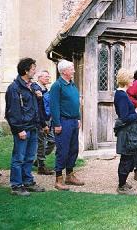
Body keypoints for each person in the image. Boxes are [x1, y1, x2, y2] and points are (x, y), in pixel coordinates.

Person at [5, 58, 46, 196]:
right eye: (33, 68)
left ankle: (27, 182)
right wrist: (19, 129)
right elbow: (12, 112)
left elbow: (35, 107)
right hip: (22, 129)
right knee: (19, 157)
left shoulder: (32, 86)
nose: (35, 70)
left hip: (33, 127)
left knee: (29, 157)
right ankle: (16, 185)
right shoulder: (14, 88)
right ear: (25, 70)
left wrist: (41, 123)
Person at [50, 59, 84, 190]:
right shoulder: (57, 86)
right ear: (64, 71)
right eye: (71, 68)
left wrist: (79, 118)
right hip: (63, 122)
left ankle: (70, 175)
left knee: (73, 149)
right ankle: (58, 179)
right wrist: (57, 124)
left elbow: (76, 103)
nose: (74, 70)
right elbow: (54, 106)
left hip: (73, 121)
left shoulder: (72, 85)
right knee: (63, 150)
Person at [114, 68, 137, 195]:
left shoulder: (123, 94)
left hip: (129, 130)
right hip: (126, 132)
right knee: (126, 158)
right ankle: (121, 187)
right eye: (131, 78)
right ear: (126, 80)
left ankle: (123, 182)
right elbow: (124, 117)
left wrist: (134, 110)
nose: (133, 80)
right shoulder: (121, 95)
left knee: (130, 157)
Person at [31, 70, 55, 175]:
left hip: (48, 119)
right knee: (41, 142)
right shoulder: (36, 88)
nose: (48, 78)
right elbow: (39, 108)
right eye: (45, 76)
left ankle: (38, 160)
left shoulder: (45, 89)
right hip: (41, 120)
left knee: (52, 140)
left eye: (48, 77)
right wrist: (43, 123)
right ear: (39, 77)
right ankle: (41, 166)